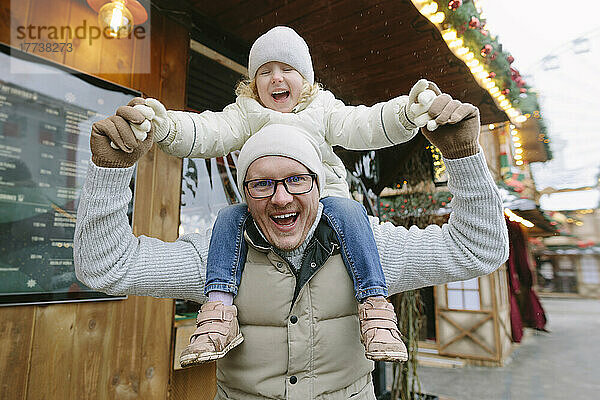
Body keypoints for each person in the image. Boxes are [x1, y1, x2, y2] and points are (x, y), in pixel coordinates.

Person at [74, 93, 509, 400]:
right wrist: (109, 174)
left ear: (320, 185)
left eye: (296, 179)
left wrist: (465, 157)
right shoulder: (214, 259)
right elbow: (106, 267)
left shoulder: (372, 249)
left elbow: (479, 248)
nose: (280, 197)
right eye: (262, 184)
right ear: (244, 193)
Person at [112, 25, 442, 366]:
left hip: (325, 200)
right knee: (228, 218)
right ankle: (220, 307)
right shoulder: (246, 113)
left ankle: (374, 305)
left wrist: (406, 114)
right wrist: (166, 126)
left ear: (307, 79)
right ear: (254, 84)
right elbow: (207, 131)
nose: (276, 79)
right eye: (265, 72)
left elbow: (364, 123)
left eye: (287, 70)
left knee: (352, 213)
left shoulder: (322, 109)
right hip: (263, 208)